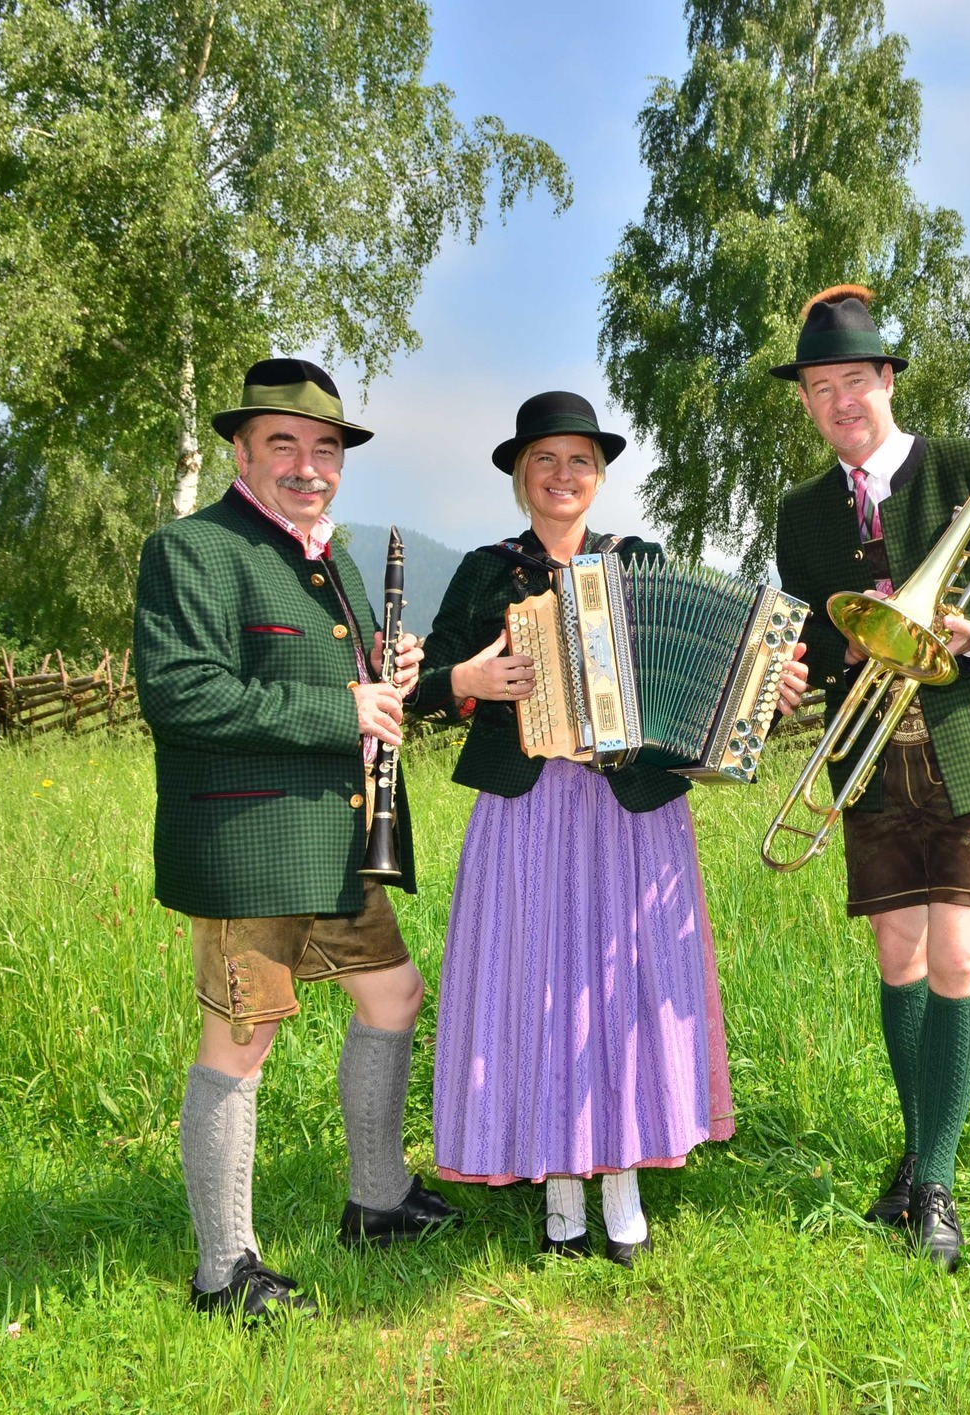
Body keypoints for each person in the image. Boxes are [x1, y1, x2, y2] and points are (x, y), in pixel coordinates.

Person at [413, 392, 806, 1265]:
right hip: (526, 809)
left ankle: (622, 1183)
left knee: (621, 991)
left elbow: (703, 683)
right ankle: (559, 1197)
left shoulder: (641, 561)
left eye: (580, 460)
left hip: (634, 813)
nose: (563, 475)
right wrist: (472, 676)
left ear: (599, 475)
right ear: (523, 474)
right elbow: (425, 686)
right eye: (545, 460)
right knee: (538, 986)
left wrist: (763, 691)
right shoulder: (488, 570)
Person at [134, 357, 460, 1322]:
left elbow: (346, 680)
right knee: (243, 1038)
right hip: (248, 842)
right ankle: (223, 1270)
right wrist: (341, 703)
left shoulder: (334, 557)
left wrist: (387, 665)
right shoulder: (193, 549)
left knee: (395, 994)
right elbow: (183, 694)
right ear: (241, 448)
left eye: (326, 447)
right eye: (285, 444)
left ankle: (378, 1197)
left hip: (337, 838)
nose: (308, 464)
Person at [771, 286, 970, 1272]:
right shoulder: (803, 515)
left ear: (886, 380)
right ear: (806, 402)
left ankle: (931, 1185)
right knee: (897, 960)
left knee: (957, 961)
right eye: (819, 387)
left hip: (968, 745)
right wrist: (788, 673)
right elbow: (815, 632)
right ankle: (916, 1150)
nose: (839, 401)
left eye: (854, 379)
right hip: (869, 760)